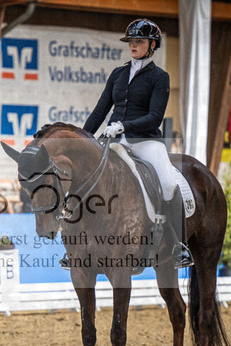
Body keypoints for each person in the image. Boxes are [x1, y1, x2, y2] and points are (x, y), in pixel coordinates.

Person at [82, 18, 192, 269]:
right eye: (131, 41)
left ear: (152, 45)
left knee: (168, 183)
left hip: (145, 141)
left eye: (139, 41)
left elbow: (155, 116)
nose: (133, 45)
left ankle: (179, 244)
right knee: (84, 173)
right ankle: (77, 242)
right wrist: (83, 138)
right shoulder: (118, 74)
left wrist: (124, 126)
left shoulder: (160, 77)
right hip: (113, 141)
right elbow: (99, 112)